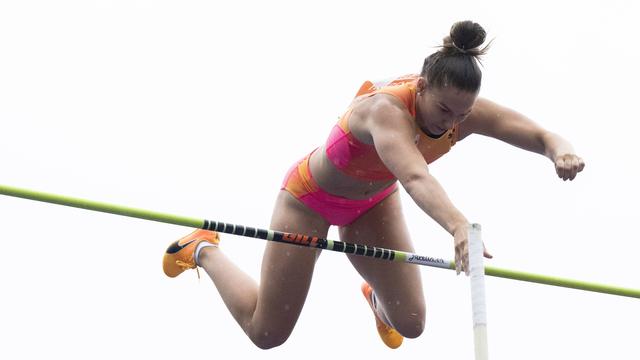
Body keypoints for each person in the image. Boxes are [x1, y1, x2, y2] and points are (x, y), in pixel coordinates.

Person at [161, 20, 585, 350]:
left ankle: (376, 296)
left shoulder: (460, 108)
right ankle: (202, 248)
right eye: (444, 109)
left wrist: (560, 151)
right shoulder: (385, 111)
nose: (452, 123)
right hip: (309, 201)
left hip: (373, 204)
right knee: (267, 332)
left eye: (462, 114)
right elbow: (416, 175)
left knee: (412, 324)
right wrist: (457, 225)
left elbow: (542, 135)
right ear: (421, 88)